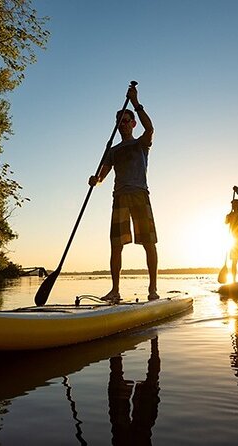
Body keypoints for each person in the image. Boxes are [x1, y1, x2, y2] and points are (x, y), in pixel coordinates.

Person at [89, 84, 158, 302]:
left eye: (127, 121)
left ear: (133, 123)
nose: (123, 125)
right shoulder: (112, 150)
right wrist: (96, 180)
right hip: (119, 196)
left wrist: (136, 103)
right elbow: (103, 175)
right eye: (120, 122)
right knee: (116, 245)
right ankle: (115, 290)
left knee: (148, 243)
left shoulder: (141, 143)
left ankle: (152, 289)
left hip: (139, 194)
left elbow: (150, 129)